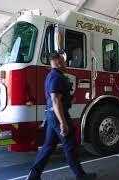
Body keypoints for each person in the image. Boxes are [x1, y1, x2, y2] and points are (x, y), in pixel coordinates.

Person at [26, 52, 96, 180]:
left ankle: (33, 176)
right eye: (63, 61)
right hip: (58, 115)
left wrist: (69, 100)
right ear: (58, 63)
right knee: (70, 146)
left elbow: (58, 98)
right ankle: (81, 176)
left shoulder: (51, 76)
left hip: (52, 115)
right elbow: (55, 100)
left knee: (48, 146)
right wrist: (63, 122)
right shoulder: (56, 77)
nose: (65, 63)